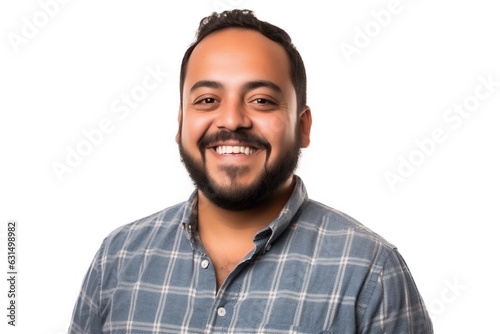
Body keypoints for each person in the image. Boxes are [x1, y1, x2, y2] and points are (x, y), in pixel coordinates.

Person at [69, 9, 433, 334]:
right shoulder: (116, 260)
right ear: (181, 124)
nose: (231, 120)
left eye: (261, 100)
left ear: (302, 127)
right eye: (207, 100)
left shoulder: (371, 273)